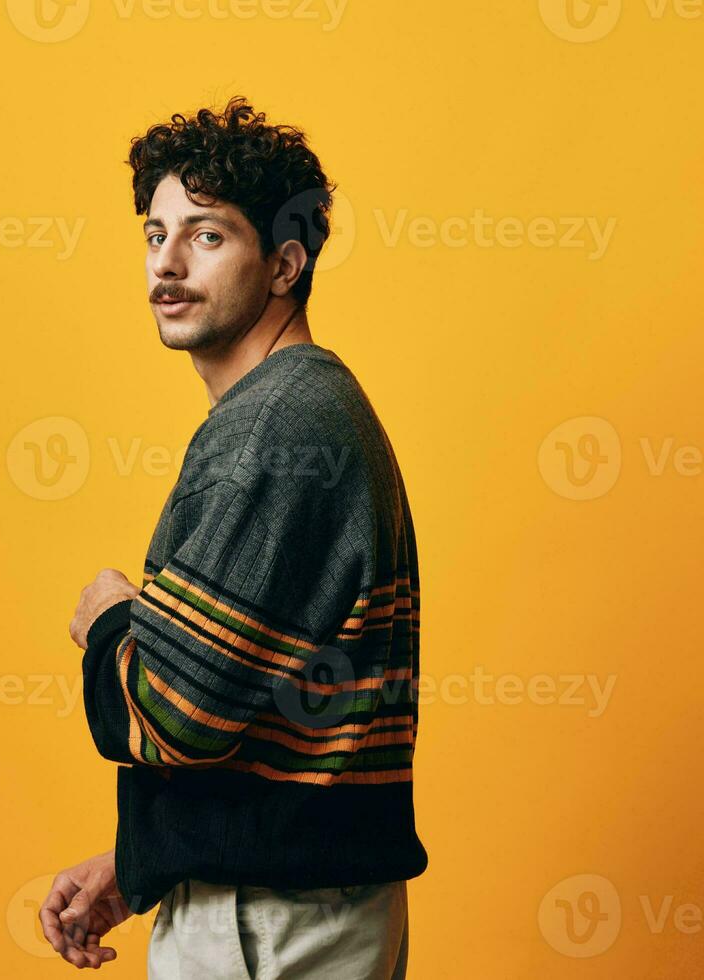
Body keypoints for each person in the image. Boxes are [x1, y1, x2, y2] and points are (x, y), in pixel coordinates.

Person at [38, 97, 427, 978]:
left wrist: (108, 617)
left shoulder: (281, 427)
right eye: (154, 234)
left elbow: (173, 714)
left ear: (285, 264)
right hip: (276, 911)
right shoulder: (293, 412)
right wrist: (152, 863)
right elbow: (262, 703)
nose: (166, 264)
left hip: (269, 932)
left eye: (207, 236)